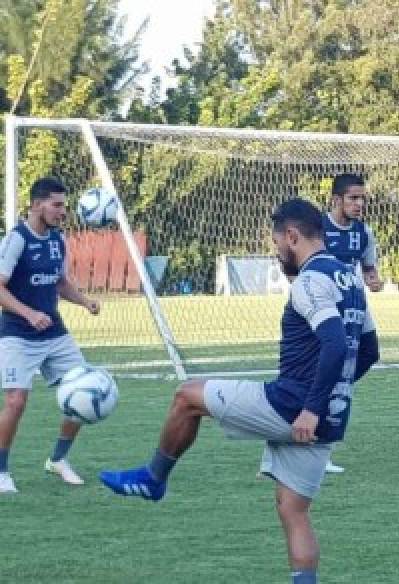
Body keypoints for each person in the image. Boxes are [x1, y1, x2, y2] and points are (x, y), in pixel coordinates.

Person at [99, 198, 379, 584]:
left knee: (187, 397)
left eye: (278, 241)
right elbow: (369, 350)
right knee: (293, 511)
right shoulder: (350, 280)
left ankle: (153, 478)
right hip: (330, 416)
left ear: (293, 236)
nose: (277, 249)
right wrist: (333, 395)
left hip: (291, 407)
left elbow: (334, 343)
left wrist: (312, 405)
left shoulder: (311, 281)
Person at [0, 177, 102, 493]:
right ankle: (1, 470)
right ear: (36, 205)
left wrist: (85, 301)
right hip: (17, 333)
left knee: (85, 393)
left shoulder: (58, 240)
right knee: (16, 402)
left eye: (64, 205)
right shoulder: (16, 240)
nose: (62, 211)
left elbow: (60, 283)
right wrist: (29, 313)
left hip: (54, 333)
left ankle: (58, 460)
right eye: (56, 205)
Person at [321, 173, 383, 473]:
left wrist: (373, 280)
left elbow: (368, 268)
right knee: (335, 369)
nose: (359, 204)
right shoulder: (318, 229)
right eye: (353, 198)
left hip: (355, 305)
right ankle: (322, 450)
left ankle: (326, 384)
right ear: (337, 199)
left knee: (371, 353)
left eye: (362, 198)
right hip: (326, 308)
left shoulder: (363, 232)